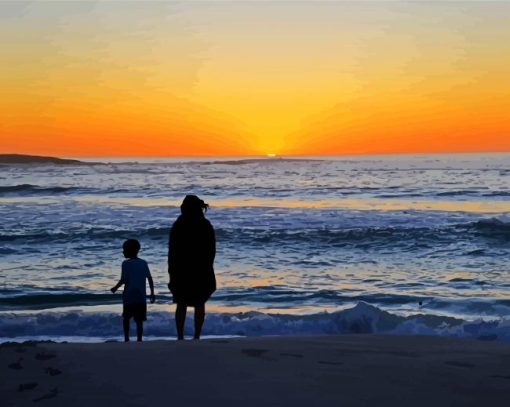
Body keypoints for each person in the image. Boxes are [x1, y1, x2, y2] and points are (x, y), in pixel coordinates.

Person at [168, 195, 216, 340]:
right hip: (201, 269)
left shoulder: (179, 223)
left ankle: (180, 336)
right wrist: (208, 266)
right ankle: (197, 336)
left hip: (182, 269)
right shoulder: (205, 224)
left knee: (181, 303)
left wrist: (171, 269)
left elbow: (172, 249)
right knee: (199, 303)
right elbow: (211, 249)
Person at [111, 239, 155, 342]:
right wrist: (152, 293)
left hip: (129, 296)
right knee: (139, 320)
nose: (123, 252)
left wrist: (115, 288)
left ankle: (127, 338)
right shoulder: (143, 263)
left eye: (124, 249)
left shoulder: (126, 264)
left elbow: (124, 280)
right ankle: (139, 339)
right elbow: (150, 278)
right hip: (141, 297)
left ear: (129, 250)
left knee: (126, 318)